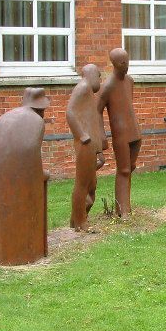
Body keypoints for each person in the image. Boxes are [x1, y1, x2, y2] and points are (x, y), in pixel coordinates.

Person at [0, 87, 50, 265]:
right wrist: (41, 175)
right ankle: (26, 252)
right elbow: (31, 152)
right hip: (18, 178)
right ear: (40, 108)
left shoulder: (8, 117)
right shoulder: (36, 121)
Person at [97, 48, 142, 218]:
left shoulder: (130, 81)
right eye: (122, 62)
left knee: (130, 168)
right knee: (123, 170)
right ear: (114, 64)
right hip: (121, 136)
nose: (126, 65)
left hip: (136, 133)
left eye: (127, 61)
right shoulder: (107, 86)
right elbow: (96, 111)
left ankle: (125, 204)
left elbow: (127, 108)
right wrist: (102, 136)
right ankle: (123, 211)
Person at [66, 64, 105, 231]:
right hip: (85, 144)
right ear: (91, 74)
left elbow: (92, 122)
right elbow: (70, 112)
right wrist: (82, 135)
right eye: (99, 75)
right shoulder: (82, 87)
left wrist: (99, 150)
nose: (100, 79)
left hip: (91, 145)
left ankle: (76, 219)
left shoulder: (88, 92)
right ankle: (80, 222)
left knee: (91, 185)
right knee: (82, 184)